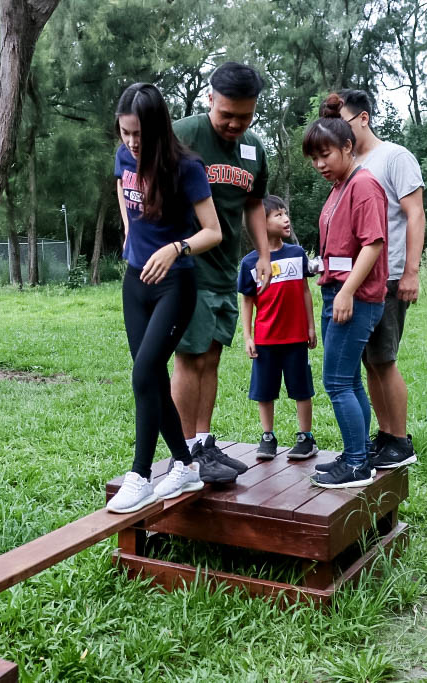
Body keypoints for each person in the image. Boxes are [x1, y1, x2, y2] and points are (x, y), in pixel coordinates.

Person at [105, 83, 225, 514]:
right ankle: (186, 464)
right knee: (151, 377)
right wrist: (127, 230)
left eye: (139, 134)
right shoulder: (124, 156)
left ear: (157, 129)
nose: (132, 143)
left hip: (175, 283)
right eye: (125, 133)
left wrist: (176, 247)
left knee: (144, 373)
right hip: (135, 283)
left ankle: (139, 474)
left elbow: (213, 231)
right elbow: (123, 187)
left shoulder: (186, 167)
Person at [171, 61, 273, 479]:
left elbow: (253, 204)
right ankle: (182, 455)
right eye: (226, 114)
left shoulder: (253, 149)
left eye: (243, 116)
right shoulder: (183, 135)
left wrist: (263, 254)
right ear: (209, 98)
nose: (234, 123)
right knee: (189, 359)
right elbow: (132, 173)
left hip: (223, 270)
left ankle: (201, 444)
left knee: (211, 358)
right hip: (186, 267)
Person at [337, 90, 424, 469]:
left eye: (344, 123)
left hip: (389, 277)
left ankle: (400, 440)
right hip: (361, 280)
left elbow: (415, 213)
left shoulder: (394, 156)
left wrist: (411, 272)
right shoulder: (351, 163)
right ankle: (386, 436)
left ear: (363, 119)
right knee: (370, 361)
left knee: (384, 360)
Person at [306, 97, 388, 489]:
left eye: (326, 155)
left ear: (347, 148)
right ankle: (360, 453)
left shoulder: (365, 185)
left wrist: (346, 293)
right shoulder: (341, 186)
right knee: (350, 380)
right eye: (314, 159)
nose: (320, 164)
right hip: (336, 290)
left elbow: (373, 245)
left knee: (336, 382)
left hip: (354, 297)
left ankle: (357, 463)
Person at [238, 195, 318, 460]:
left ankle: (305, 437)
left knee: (301, 388)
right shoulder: (250, 262)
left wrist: (310, 326)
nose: (286, 219)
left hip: (295, 338)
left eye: (286, 213)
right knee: (265, 390)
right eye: (278, 215)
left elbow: (305, 291)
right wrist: (248, 336)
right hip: (265, 339)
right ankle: (267, 436)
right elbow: (247, 301)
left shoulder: (296, 254)